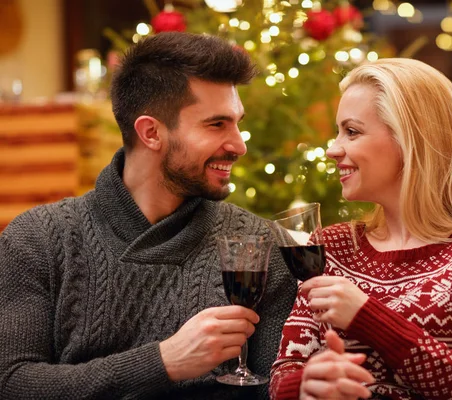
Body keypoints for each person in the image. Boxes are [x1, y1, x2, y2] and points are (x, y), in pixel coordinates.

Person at [0, 32, 296, 399]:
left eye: (237, 122)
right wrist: (163, 361)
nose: (239, 144)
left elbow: (276, 388)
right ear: (151, 132)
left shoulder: (261, 247)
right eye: (217, 124)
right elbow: (12, 384)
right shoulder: (38, 239)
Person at [270, 58, 452, 400]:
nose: (333, 149)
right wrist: (304, 385)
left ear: (411, 140)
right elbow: (283, 373)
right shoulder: (329, 245)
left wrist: (368, 317)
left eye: (351, 131)